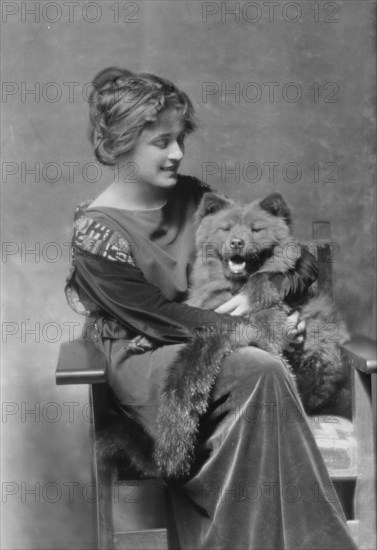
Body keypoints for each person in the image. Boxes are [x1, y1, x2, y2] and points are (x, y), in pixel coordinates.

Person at [65, 67, 357, 549]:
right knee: (257, 366)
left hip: (226, 341)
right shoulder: (94, 232)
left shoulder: (196, 197)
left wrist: (268, 296)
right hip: (152, 355)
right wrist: (258, 328)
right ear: (121, 143)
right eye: (162, 142)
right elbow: (158, 317)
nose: (177, 153)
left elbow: (299, 261)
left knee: (257, 369)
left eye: (180, 139)